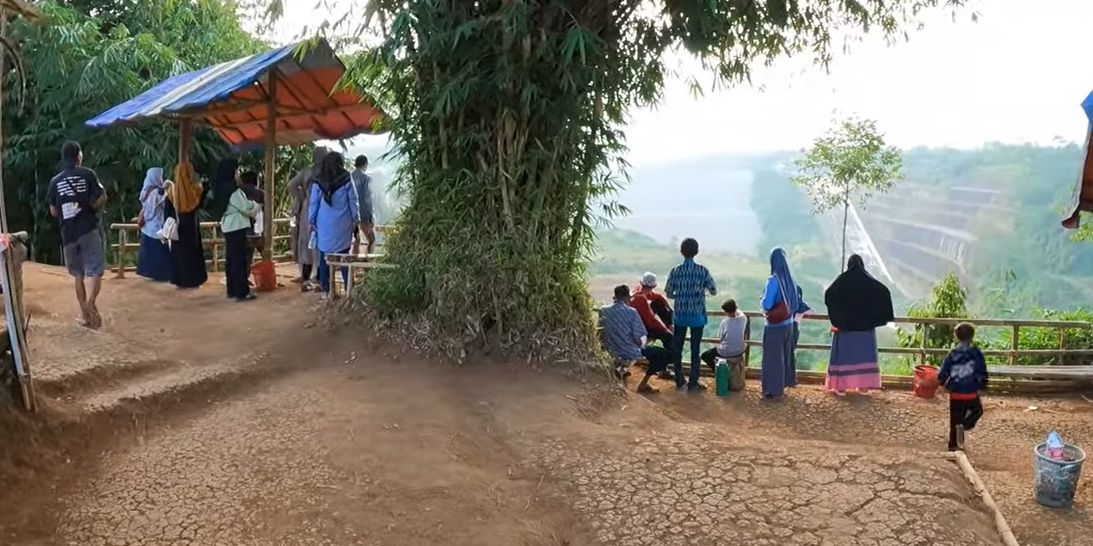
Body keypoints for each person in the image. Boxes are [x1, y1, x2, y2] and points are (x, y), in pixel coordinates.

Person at [47, 141, 107, 328]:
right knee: (96, 270)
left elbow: (54, 212)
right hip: (88, 228)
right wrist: (92, 206)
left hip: (68, 234)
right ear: (79, 156)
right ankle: (91, 302)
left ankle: (85, 316)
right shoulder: (88, 174)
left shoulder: (55, 182)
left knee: (78, 275)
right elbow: (103, 196)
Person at [824, 254, 893, 395]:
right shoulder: (869, 281)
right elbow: (884, 291)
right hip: (865, 332)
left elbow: (830, 294)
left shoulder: (842, 281)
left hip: (846, 330)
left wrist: (838, 317)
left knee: (844, 358)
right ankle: (863, 386)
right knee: (864, 358)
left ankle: (841, 387)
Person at [664, 238, 717, 391]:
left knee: (677, 348)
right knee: (695, 349)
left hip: (680, 315)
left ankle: (679, 379)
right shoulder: (702, 271)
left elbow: (668, 293)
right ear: (697, 252)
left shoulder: (676, 271)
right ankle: (693, 381)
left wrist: (680, 296)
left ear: (682, 252)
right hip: (697, 316)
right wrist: (701, 292)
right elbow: (713, 290)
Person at [308, 151, 361, 296]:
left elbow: (313, 203)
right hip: (343, 224)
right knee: (344, 255)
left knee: (324, 258)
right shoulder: (346, 178)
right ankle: (349, 289)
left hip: (323, 225)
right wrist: (356, 220)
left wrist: (311, 221)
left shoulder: (318, 180)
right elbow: (353, 201)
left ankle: (327, 291)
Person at [601, 285, 670, 394]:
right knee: (662, 354)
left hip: (609, 349)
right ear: (628, 297)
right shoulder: (632, 312)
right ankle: (643, 384)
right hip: (628, 351)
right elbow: (639, 337)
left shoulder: (603, 311)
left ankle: (621, 369)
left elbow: (600, 331)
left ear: (615, 297)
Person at [938, 323, 988, 451]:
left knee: (954, 421)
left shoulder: (953, 353)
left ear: (956, 337)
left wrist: (942, 384)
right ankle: (965, 425)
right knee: (977, 411)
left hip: (956, 393)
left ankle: (953, 446)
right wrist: (982, 386)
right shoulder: (976, 353)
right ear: (972, 337)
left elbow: (944, 372)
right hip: (971, 392)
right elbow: (982, 371)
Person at [759, 247, 801, 398]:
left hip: (774, 326)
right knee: (784, 356)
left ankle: (773, 391)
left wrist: (761, 302)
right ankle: (784, 384)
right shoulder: (791, 279)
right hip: (788, 323)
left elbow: (767, 304)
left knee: (772, 358)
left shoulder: (773, 280)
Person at [289, 146, 328, 290]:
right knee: (321, 244)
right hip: (323, 211)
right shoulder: (328, 173)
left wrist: (303, 196)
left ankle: (306, 279)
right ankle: (319, 279)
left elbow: (291, 186)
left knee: (306, 244)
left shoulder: (306, 172)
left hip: (308, 210)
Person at [165, 161, 208, 289]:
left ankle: (180, 280)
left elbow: (167, 211)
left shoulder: (172, 191)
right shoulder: (195, 190)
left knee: (179, 254)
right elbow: (201, 204)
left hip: (178, 227)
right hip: (192, 227)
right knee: (193, 254)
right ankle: (194, 280)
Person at [219, 162, 257, 301]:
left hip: (227, 227)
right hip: (237, 226)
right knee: (239, 260)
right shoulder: (233, 190)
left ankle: (232, 289)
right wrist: (254, 205)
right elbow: (246, 208)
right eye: (236, 171)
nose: (238, 174)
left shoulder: (221, 189)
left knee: (231, 259)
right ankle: (242, 292)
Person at [629, 272, 675, 379]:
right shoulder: (641, 299)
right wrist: (666, 330)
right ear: (654, 286)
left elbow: (655, 298)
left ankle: (663, 368)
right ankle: (663, 368)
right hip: (641, 328)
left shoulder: (637, 293)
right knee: (671, 342)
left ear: (641, 283)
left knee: (659, 303)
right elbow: (650, 320)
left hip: (638, 325)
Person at [135, 167, 171, 282]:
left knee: (149, 252)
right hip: (157, 225)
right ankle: (162, 274)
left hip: (147, 226)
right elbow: (165, 205)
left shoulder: (145, 190)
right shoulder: (158, 192)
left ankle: (150, 273)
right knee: (160, 252)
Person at [701, 299, 747, 372]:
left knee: (705, 356)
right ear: (735, 307)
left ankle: (719, 371)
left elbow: (720, 339)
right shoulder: (743, 319)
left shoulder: (725, 322)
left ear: (725, 311)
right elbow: (740, 312)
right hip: (740, 350)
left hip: (726, 352)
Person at [239, 171, 265, 267]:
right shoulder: (261, 194)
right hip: (258, 228)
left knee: (244, 256)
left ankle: (244, 276)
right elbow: (266, 212)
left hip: (241, 229)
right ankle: (267, 274)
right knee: (264, 254)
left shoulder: (237, 193)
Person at [351, 154, 375, 255]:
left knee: (357, 239)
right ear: (365, 164)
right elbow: (366, 199)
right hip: (363, 214)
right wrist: (371, 218)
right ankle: (367, 266)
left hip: (350, 214)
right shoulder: (366, 178)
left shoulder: (349, 177)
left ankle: (353, 266)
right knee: (372, 240)